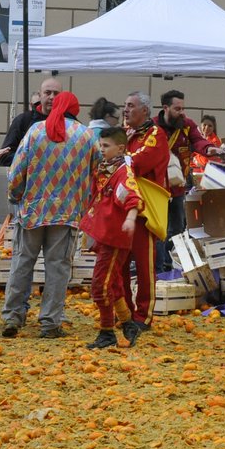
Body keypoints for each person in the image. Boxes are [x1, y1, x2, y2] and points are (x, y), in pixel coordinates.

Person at [2, 92, 96, 339]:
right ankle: (50, 323)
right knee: (58, 268)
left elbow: (17, 169)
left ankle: (12, 316)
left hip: (33, 211)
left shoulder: (35, 130)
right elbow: (96, 174)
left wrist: (15, 195)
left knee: (22, 263)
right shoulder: (86, 135)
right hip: (66, 214)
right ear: (75, 109)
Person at [82, 126, 143, 349]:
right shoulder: (107, 169)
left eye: (106, 146)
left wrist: (130, 218)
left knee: (100, 285)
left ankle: (107, 331)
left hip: (115, 238)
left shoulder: (121, 173)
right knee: (114, 284)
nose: (101, 150)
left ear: (120, 148)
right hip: (106, 236)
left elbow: (132, 197)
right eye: (101, 145)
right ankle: (128, 323)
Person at [155, 89, 225, 268]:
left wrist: (211, 149)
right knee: (158, 228)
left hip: (178, 187)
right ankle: (159, 266)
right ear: (166, 108)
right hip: (157, 188)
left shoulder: (187, 125)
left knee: (177, 229)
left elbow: (198, 141)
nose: (181, 112)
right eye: (177, 109)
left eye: (183, 108)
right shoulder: (153, 126)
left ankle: (170, 261)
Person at [122, 91, 169, 341]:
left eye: (130, 106)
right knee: (119, 263)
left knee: (144, 264)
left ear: (145, 111)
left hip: (144, 210)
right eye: (125, 105)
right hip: (122, 208)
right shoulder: (127, 135)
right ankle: (126, 311)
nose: (125, 110)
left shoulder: (156, 135)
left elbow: (137, 163)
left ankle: (143, 315)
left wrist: (120, 157)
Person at [0, 76, 61, 165]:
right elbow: (4, 157)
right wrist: (33, 160)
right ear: (40, 95)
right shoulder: (23, 120)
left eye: (56, 93)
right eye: (47, 93)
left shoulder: (69, 123)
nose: (52, 97)